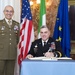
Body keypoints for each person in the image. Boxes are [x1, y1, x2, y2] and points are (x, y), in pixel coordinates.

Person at [0, 5, 19, 75]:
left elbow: (17, 39)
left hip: (12, 53)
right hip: (1, 54)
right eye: (7, 11)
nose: (9, 13)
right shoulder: (0, 23)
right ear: (4, 12)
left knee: (10, 73)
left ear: (13, 13)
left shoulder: (16, 24)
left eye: (11, 11)